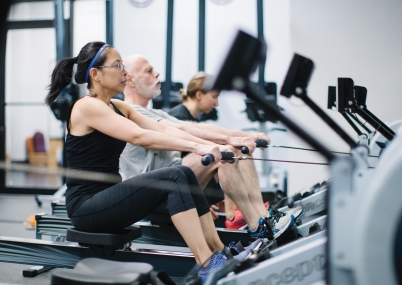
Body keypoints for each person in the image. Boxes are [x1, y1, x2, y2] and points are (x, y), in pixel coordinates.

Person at [45, 41, 260, 282]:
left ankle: (219, 252)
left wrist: (216, 145)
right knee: (174, 177)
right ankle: (207, 263)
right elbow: (140, 136)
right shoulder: (86, 107)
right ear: (95, 74)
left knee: (184, 174)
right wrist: (198, 147)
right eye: (117, 66)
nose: (124, 72)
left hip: (109, 197)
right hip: (86, 206)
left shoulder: (116, 106)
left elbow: (163, 128)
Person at [119, 54, 296, 239]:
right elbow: (183, 127)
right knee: (225, 153)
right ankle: (256, 227)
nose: (157, 73)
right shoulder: (128, 110)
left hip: (173, 178)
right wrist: (228, 140)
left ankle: (263, 217)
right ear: (130, 79)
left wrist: (245, 137)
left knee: (237, 150)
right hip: (152, 192)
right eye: (149, 70)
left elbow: (198, 126)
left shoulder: (154, 112)